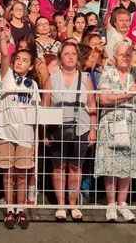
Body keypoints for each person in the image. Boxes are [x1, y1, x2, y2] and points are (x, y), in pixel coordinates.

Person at [42, 42, 96, 222]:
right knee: (58, 167)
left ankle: (73, 204)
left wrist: (93, 129)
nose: (71, 57)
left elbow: (92, 104)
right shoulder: (52, 78)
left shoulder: (85, 78)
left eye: (73, 53)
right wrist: (44, 132)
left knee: (75, 167)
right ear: (60, 57)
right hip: (56, 129)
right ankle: (61, 205)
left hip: (81, 128)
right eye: (66, 53)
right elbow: (45, 105)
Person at [0, 27, 39, 229]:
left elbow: (36, 112)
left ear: (31, 65)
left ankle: (21, 210)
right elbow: (4, 55)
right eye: (17, 59)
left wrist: (36, 139)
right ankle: (10, 209)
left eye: (25, 60)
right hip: (5, 132)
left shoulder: (33, 85)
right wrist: (3, 39)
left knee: (22, 175)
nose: (20, 62)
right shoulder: (8, 77)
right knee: (8, 174)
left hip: (25, 135)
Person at [95, 41, 136, 223]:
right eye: (122, 54)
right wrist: (128, 95)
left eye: (128, 54)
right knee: (110, 163)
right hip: (111, 122)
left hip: (132, 122)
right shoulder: (108, 72)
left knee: (128, 164)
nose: (125, 57)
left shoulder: (135, 72)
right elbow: (104, 99)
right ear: (115, 57)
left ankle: (122, 203)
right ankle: (111, 204)